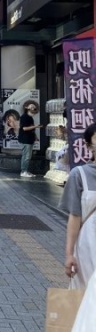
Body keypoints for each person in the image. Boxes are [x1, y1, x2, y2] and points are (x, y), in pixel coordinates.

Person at [59, 123, 96, 288]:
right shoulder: (79, 175)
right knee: (85, 303)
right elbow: (74, 217)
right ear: (89, 146)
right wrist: (69, 254)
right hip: (87, 250)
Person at [18, 101, 42, 178]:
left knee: (28, 156)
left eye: (34, 107)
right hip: (25, 139)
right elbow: (24, 128)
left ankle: (26, 171)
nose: (33, 108)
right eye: (31, 107)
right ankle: (23, 171)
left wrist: (35, 136)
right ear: (27, 108)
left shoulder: (30, 118)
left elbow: (30, 128)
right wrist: (36, 127)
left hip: (29, 139)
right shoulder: (24, 117)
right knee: (26, 156)